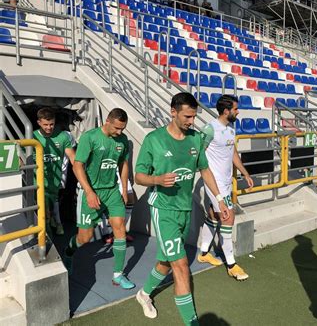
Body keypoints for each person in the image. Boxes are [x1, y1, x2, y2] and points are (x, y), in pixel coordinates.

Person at [134, 92, 229, 323]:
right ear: (173, 112)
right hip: (163, 209)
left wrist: (219, 198)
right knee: (181, 264)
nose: (191, 121)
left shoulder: (195, 139)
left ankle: (144, 294)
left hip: (185, 209)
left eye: (194, 116)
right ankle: (192, 322)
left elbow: (205, 170)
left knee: (167, 262)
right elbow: (139, 176)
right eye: (187, 116)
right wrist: (157, 180)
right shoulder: (154, 140)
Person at [64, 108, 135, 290]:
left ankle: (118, 275)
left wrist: (124, 189)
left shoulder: (122, 141)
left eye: (123, 129)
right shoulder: (90, 137)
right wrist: (88, 191)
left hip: (112, 191)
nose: (120, 132)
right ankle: (69, 252)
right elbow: (77, 166)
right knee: (85, 237)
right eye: (117, 128)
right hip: (91, 191)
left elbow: (123, 164)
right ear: (108, 122)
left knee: (119, 226)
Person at [198, 95, 254, 280]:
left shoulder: (230, 129)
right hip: (215, 183)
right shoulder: (209, 129)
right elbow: (199, 155)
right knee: (228, 217)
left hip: (226, 182)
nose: (238, 112)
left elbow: (233, 153)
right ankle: (231, 264)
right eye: (235, 109)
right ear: (226, 111)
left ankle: (204, 253)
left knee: (214, 216)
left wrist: (245, 173)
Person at [33, 108, 75, 236]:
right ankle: (47, 239)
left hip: (55, 181)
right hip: (38, 182)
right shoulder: (32, 136)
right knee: (43, 212)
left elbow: (73, 158)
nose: (49, 127)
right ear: (39, 122)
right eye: (45, 124)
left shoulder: (62, 136)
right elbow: (22, 158)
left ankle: (54, 223)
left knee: (51, 208)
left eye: (51, 124)